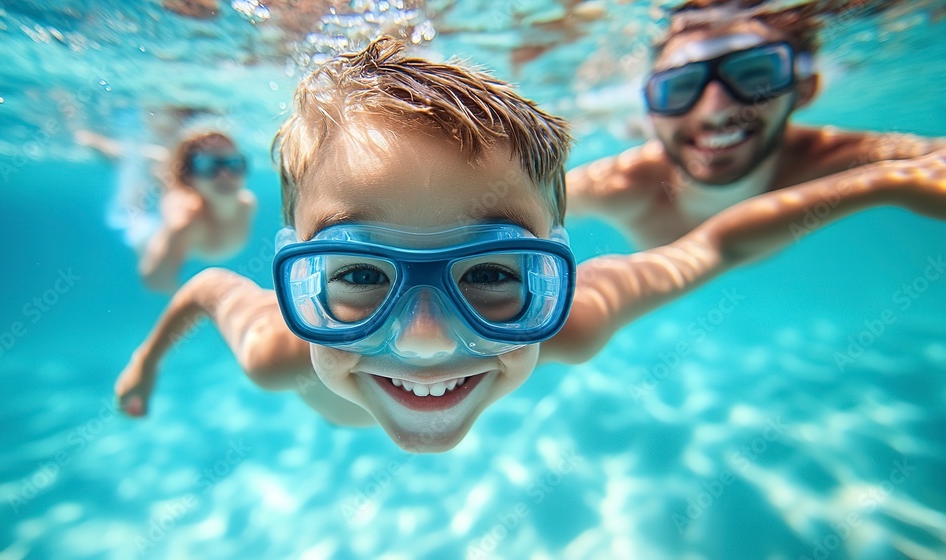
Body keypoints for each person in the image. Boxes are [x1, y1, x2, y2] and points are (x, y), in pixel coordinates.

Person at [114, 37, 946, 453]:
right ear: (296, 273)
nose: (427, 340)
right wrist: (143, 362)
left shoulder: (569, 325)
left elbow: (716, 243)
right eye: (362, 273)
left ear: (559, 264)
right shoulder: (277, 351)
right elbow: (198, 289)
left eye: (494, 272)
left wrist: (880, 181)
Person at [566, 0, 944, 249]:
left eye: (754, 76)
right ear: (651, 109)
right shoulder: (617, 184)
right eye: (679, 88)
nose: (715, 109)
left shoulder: (843, 158)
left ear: (804, 89)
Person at [79, 125, 257, 292]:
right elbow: (154, 279)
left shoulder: (248, 204)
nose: (225, 174)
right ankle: (101, 145)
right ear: (189, 177)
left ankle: (147, 158)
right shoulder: (185, 222)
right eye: (209, 165)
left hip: (173, 176)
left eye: (234, 163)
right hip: (166, 202)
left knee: (159, 168)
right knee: (132, 172)